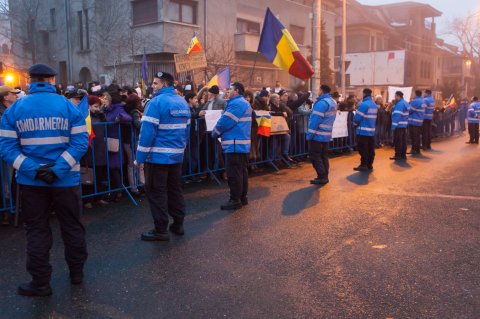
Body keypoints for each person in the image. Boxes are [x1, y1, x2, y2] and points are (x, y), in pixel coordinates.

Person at [0, 64, 89, 296]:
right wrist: (58, 170)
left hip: (32, 183)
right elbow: (80, 143)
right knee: (71, 226)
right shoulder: (69, 107)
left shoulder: (15, 109)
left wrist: (34, 170)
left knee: (37, 230)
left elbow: (7, 147)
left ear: (30, 80)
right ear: (51, 79)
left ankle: (40, 283)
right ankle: (77, 274)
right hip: (66, 180)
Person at [135, 72, 190, 241]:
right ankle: (178, 224)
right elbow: (186, 130)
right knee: (174, 190)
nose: (153, 86)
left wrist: (140, 158)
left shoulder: (156, 102)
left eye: (156, 83)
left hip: (158, 158)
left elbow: (147, 134)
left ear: (165, 84)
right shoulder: (182, 102)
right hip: (176, 157)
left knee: (157, 193)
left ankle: (160, 230)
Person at [212, 82, 252, 210]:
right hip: (240, 144)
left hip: (234, 145)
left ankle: (235, 199)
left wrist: (215, 132)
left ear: (237, 91)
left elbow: (225, 122)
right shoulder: (242, 103)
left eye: (230, 89)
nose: (227, 91)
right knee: (241, 172)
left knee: (234, 174)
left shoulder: (237, 103)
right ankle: (242, 197)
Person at [306, 84, 337, 185]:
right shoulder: (332, 102)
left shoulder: (321, 103)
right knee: (324, 156)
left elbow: (315, 121)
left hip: (317, 135)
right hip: (326, 135)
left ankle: (322, 176)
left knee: (315, 156)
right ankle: (324, 176)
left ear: (321, 90)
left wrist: (309, 135)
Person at [353, 88, 378, 171]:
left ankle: (363, 165)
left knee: (363, 149)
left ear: (364, 94)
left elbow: (357, 118)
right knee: (370, 149)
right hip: (371, 131)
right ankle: (369, 164)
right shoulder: (374, 104)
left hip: (362, 131)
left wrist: (354, 124)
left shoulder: (363, 104)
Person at [389, 91, 409, 161]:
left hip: (398, 125)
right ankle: (403, 155)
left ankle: (398, 155)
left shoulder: (399, 104)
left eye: (395, 96)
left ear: (398, 96)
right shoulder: (405, 103)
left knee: (398, 141)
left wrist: (393, 127)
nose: (395, 97)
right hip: (404, 125)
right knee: (403, 141)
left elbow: (396, 116)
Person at [408, 90, 426, 155]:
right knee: (417, 136)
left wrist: (409, 104)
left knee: (413, 137)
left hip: (414, 121)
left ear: (415, 94)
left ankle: (414, 149)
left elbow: (410, 110)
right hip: (419, 121)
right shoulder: (423, 101)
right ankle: (417, 150)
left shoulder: (415, 101)